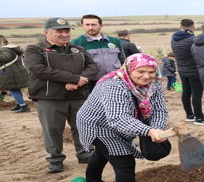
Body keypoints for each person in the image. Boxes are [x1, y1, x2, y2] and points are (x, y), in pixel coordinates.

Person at [77, 53, 167, 182]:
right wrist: (148, 130)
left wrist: (157, 129)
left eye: (151, 72)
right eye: (141, 71)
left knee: (102, 152)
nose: (147, 76)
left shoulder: (154, 85)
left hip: (122, 122)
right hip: (98, 124)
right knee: (123, 160)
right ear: (129, 69)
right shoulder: (114, 85)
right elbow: (117, 119)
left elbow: (159, 109)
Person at [24, 17, 99, 173]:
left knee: (82, 126)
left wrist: (79, 81)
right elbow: (39, 70)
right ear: (46, 32)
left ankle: (85, 153)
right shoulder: (35, 49)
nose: (64, 34)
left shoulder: (77, 49)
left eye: (66, 31)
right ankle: (55, 158)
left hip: (79, 96)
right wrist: (73, 78)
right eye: (59, 31)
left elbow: (92, 67)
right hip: (50, 97)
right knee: (52, 129)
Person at [71, 14, 122, 90]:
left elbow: (123, 60)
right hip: (91, 83)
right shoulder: (76, 43)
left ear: (101, 25)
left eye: (94, 24)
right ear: (82, 26)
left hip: (116, 81)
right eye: (87, 25)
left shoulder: (115, 41)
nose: (90, 27)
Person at [171, 19, 204, 125]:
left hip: (182, 69)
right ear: (193, 28)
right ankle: (199, 118)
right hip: (194, 69)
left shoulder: (173, 39)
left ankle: (189, 115)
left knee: (186, 92)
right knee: (196, 93)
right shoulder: (193, 39)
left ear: (180, 27)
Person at [0, 35, 30, 113]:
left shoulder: (5, 50)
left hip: (12, 73)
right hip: (15, 72)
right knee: (16, 89)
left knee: (13, 89)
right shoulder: (10, 48)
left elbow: (6, 58)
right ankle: (19, 104)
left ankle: (23, 106)